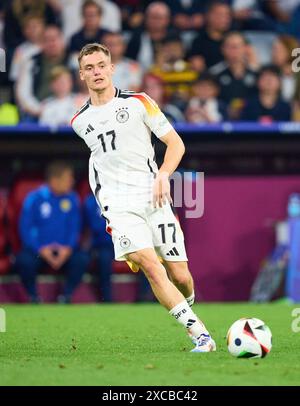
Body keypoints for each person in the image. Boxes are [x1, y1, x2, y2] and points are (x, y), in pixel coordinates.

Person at [71, 42, 216, 352]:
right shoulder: (80, 122)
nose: (96, 72)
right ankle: (200, 334)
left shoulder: (140, 102)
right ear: (82, 75)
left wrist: (163, 174)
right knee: (151, 265)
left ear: (111, 69)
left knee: (181, 275)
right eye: (89, 68)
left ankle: (186, 305)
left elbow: (175, 144)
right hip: (119, 206)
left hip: (155, 197)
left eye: (101, 65)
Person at [15, 161, 89, 303]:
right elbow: (25, 228)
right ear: (55, 180)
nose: (72, 181)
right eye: (68, 178)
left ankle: (66, 296)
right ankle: (33, 297)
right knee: (24, 261)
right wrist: (40, 249)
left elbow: (75, 228)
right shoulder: (35, 198)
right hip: (40, 252)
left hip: (64, 251)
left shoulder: (72, 199)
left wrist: (68, 248)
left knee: (81, 259)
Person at [83, 193, 114, 302]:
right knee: (104, 258)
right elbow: (94, 227)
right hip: (103, 244)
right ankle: (107, 298)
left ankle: (144, 297)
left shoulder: (123, 197)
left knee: (148, 256)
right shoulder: (92, 202)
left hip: (126, 242)